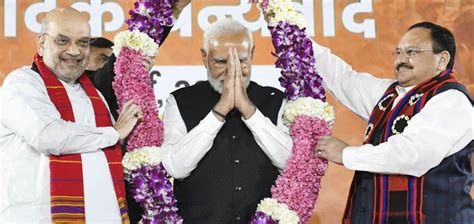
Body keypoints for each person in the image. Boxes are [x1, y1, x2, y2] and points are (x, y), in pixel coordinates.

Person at [312, 21, 473, 223]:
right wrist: (288, 29)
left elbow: (412, 154)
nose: (400, 60)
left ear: (442, 60)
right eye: (398, 52)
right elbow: (343, 79)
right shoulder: (390, 95)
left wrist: (346, 154)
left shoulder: (451, 100)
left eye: (411, 52)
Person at [0, 7, 142, 223]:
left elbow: (109, 152)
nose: (74, 51)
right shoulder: (21, 83)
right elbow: (48, 136)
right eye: (63, 41)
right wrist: (113, 133)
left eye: (83, 42)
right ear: (41, 43)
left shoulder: (94, 95)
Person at [161, 18, 293, 223]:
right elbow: (176, 168)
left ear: (252, 54)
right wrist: (219, 111)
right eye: (221, 62)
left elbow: (291, 164)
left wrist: (249, 110)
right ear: (205, 57)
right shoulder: (179, 101)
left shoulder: (276, 99)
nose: (233, 71)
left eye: (241, 61)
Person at [88, 2, 190, 223]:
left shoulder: (125, 92)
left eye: (109, 59)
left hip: (130, 193)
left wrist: (172, 12)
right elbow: (118, 65)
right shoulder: (83, 88)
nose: (110, 67)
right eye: (102, 60)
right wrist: (171, 12)